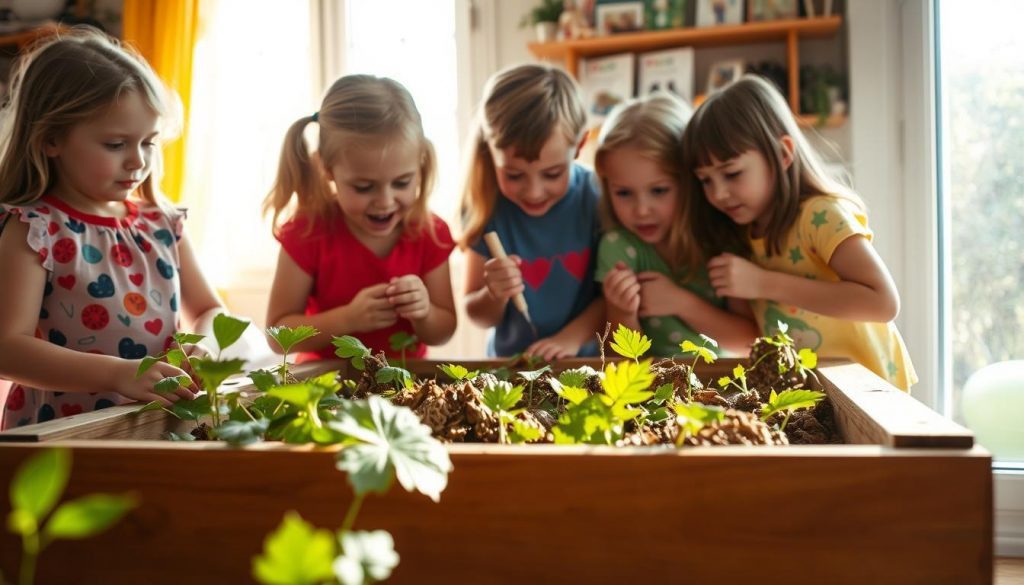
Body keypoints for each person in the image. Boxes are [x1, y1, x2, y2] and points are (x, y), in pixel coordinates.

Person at [0, 27, 224, 428]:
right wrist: (119, 373)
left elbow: (209, 309)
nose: (138, 161)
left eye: (148, 142)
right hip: (65, 436)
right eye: (116, 144)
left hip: (159, 423)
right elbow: (6, 349)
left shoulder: (164, 224)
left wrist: (204, 346)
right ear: (52, 139)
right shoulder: (34, 229)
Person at [682, 75, 917, 390]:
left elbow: (883, 303)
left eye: (732, 173)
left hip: (870, 389)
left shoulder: (820, 216)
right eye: (706, 180)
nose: (718, 194)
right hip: (806, 396)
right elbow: (750, 339)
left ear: (782, 155)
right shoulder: (738, 237)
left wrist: (763, 283)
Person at [264, 75, 456, 362]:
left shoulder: (431, 231)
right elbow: (278, 335)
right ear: (327, 170)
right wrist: (346, 320)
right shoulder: (307, 232)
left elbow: (444, 330)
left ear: (421, 164)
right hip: (326, 387)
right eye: (364, 187)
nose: (385, 201)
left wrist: (424, 311)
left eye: (402, 183)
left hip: (407, 385)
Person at [595, 93, 758, 356]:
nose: (641, 210)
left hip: (717, 387)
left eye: (659, 190)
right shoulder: (618, 247)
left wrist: (682, 304)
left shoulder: (720, 240)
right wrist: (622, 311)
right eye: (624, 193)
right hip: (650, 388)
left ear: (690, 182)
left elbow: (749, 343)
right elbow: (618, 364)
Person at [460, 63, 604, 360]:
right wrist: (494, 294)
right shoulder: (485, 204)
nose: (534, 192)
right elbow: (477, 315)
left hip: (589, 368)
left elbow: (615, 295)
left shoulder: (598, 197)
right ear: (490, 151)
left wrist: (569, 339)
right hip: (511, 372)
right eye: (514, 175)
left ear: (579, 145)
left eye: (551, 174)